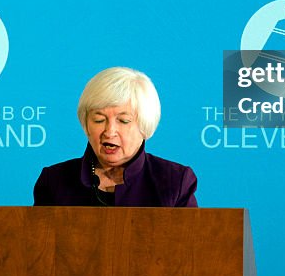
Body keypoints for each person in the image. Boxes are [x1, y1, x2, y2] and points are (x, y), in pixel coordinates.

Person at [33, 67, 198, 207]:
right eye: (99, 120)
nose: (110, 131)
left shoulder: (175, 182)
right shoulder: (54, 181)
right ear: (86, 123)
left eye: (123, 121)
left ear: (145, 126)